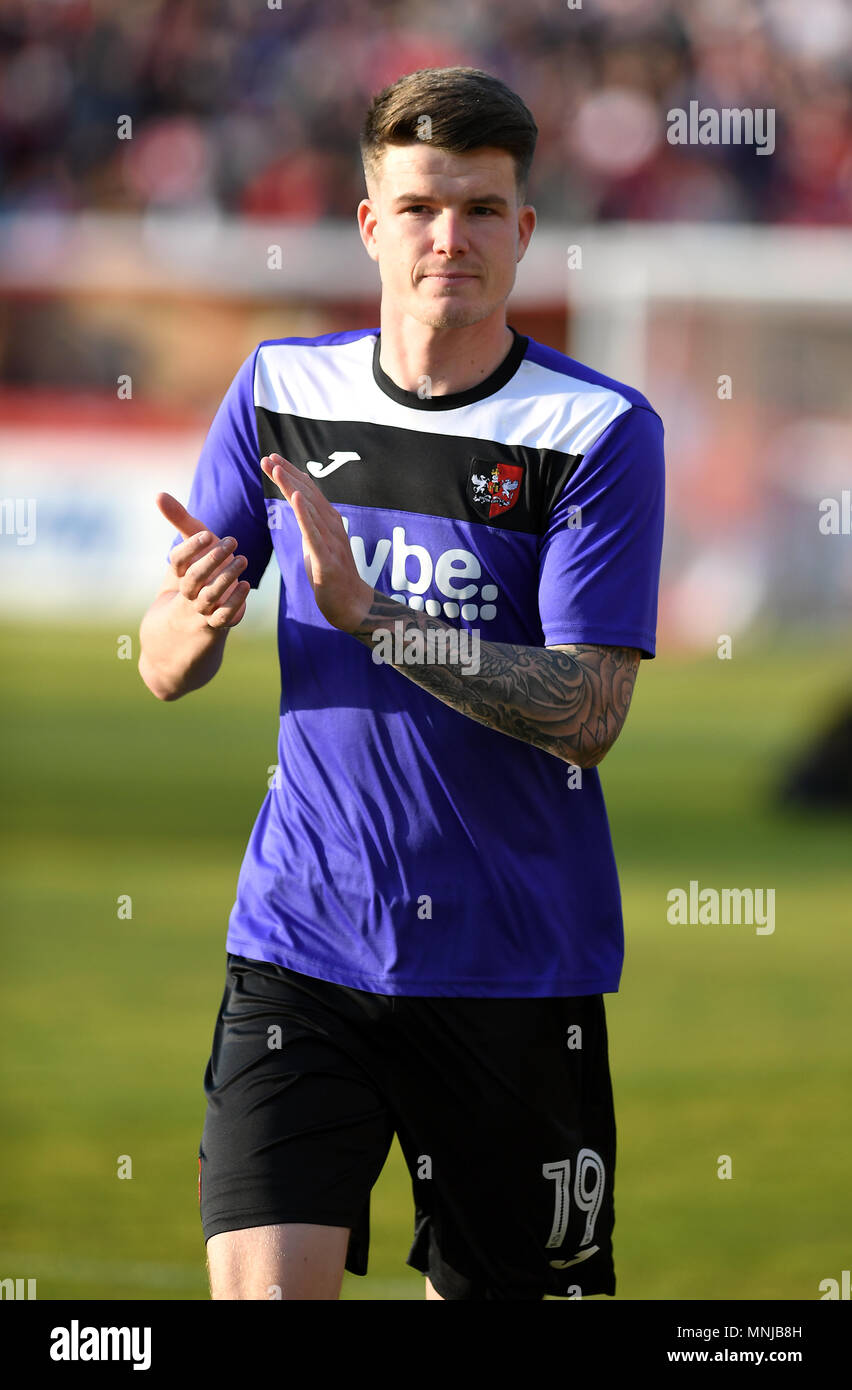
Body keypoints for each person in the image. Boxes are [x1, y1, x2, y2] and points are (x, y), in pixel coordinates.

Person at [138, 66, 665, 1301]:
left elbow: (589, 714)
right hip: (301, 943)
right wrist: (197, 616)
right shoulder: (280, 388)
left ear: (524, 232)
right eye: (422, 204)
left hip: (514, 967)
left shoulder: (595, 433)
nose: (451, 238)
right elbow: (164, 663)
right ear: (371, 222)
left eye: (484, 209)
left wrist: (377, 621)